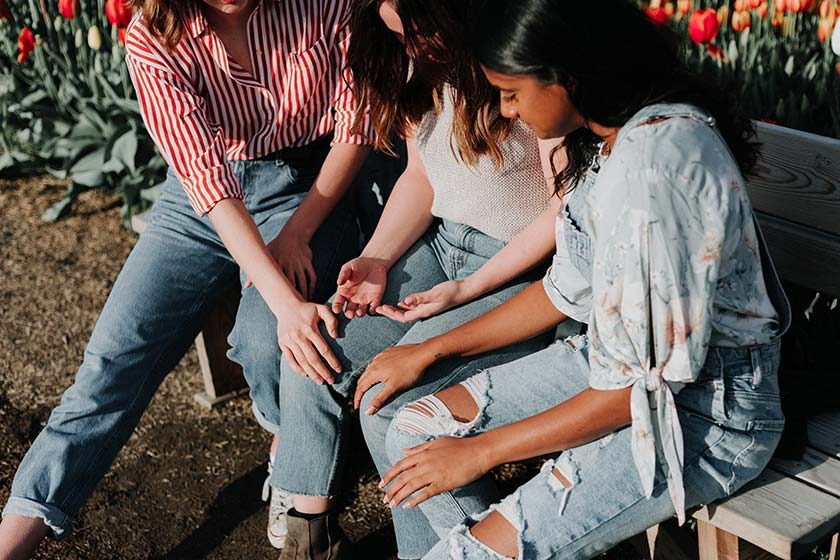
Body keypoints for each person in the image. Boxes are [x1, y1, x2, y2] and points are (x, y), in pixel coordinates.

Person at [367, 1, 792, 557]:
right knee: (414, 428)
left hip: (700, 417)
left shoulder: (653, 176)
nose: (505, 110)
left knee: (463, 548)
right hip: (611, 365)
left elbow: (635, 393)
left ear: (567, 77)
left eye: (512, 93)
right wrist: (431, 349)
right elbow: (563, 290)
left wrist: (480, 452)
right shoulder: (607, 137)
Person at [0, 0, 372, 558]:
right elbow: (207, 183)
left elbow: (358, 121)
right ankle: (17, 534)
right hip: (203, 198)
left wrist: (295, 236)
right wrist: (276, 289)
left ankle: (287, 449)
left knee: (267, 339)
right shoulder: (152, 35)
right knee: (112, 362)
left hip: (308, 188)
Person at [249, 1, 568, 557]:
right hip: (441, 247)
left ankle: (451, 547)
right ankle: (309, 535)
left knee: (388, 396)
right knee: (314, 346)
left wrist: (469, 288)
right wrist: (376, 258)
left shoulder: (515, 70)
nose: (413, 48)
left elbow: (561, 216)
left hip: (518, 271)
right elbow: (422, 178)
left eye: (419, 31)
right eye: (399, 36)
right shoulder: (424, 70)